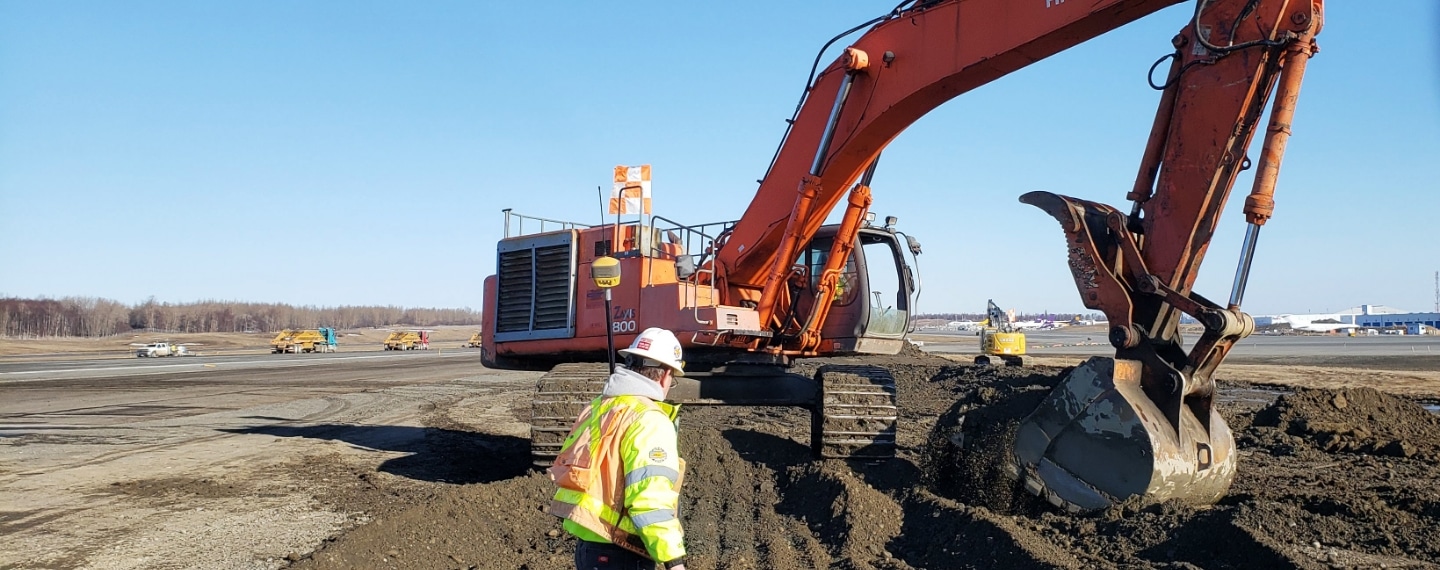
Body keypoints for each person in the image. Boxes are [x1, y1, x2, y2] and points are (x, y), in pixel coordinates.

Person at [548, 327, 688, 570]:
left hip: (589, 545)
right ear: (666, 375)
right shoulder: (649, 419)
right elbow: (649, 498)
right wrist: (674, 561)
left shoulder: (600, 408)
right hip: (622, 551)